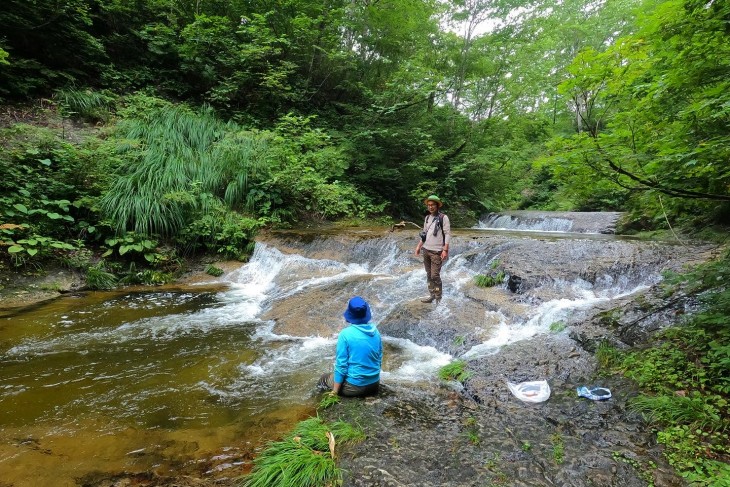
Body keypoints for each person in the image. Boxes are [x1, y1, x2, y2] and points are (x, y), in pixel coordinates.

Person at [318, 296, 382, 397]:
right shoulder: (376, 331)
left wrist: (334, 392)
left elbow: (341, 365)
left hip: (355, 388)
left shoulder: (345, 334)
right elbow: (379, 358)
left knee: (324, 378)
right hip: (374, 384)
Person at [414, 194, 451, 304]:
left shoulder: (443, 218)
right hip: (426, 250)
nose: (430, 207)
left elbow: (447, 234)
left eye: (433, 205)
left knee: (434, 275)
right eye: (429, 205)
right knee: (428, 274)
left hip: (437, 251)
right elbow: (424, 234)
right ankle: (432, 295)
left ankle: (438, 296)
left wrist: (445, 250)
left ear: (437, 206)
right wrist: (419, 246)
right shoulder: (427, 218)